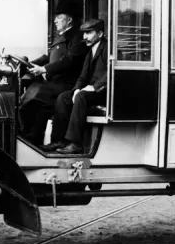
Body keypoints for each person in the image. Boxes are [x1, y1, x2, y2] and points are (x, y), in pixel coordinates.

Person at [16, 9, 87, 146]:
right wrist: (30, 64)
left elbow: (69, 60)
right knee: (35, 101)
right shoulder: (64, 36)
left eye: (59, 18)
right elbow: (48, 57)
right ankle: (32, 141)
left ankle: (28, 140)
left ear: (69, 20)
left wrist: (44, 69)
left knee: (35, 97)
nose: (55, 21)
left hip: (68, 84)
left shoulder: (77, 37)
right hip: (56, 83)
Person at [42, 19, 107, 154]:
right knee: (64, 97)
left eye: (89, 33)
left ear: (100, 34)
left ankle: (75, 143)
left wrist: (94, 88)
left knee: (81, 96)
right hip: (89, 91)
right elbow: (83, 76)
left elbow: (111, 73)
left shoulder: (107, 49)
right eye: (84, 33)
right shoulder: (91, 51)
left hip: (103, 93)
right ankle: (58, 140)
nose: (85, 37)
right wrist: (76, 89)